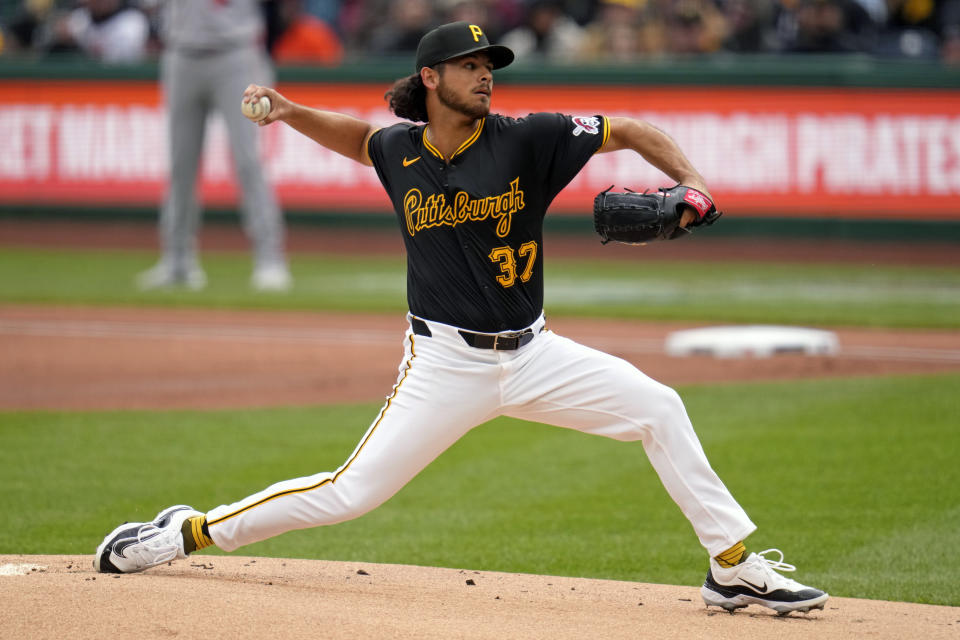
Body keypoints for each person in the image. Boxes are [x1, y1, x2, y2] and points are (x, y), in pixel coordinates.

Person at [94, 21, 828, 616]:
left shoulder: (529, 138)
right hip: (445, 364)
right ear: (432, 79)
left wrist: (692, 184)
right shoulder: (401, 151)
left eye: (491, 65)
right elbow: (359, 139)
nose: (486, 75)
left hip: (537, 356)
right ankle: (187, 531)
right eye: (471, 64)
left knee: (659, 408)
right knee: (350, 493)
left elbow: (629, 128)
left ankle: (731, 568)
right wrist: (288, 112)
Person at [137, 0, 291, 292]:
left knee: (248, 160)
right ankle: (177, 261)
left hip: (236, 52)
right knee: (181, 163)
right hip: (181, 52)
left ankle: (270, 258)